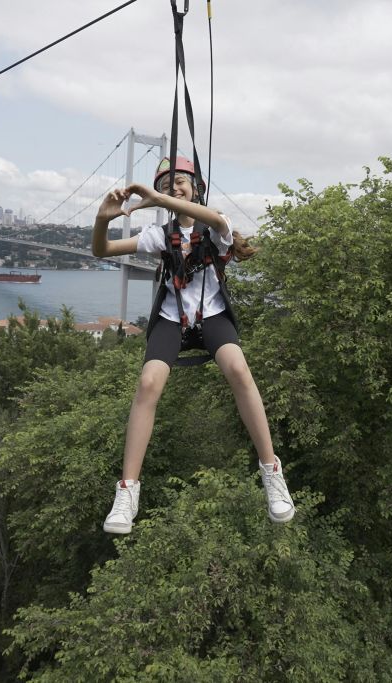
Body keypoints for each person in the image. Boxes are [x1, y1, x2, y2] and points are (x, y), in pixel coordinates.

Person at [92, 156, 295, 534]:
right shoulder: (159, 237)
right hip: (173, 320)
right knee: (149, 382)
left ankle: (271, 472)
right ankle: (127, 491)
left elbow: (217, 220)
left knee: (238, 368)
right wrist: (105, 218)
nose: (173, 189)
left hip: (212, 316)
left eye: (181, 182)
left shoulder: (217, 227)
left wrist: (158, 197)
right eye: (167, 185)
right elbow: (101, 252)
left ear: (197, 187)